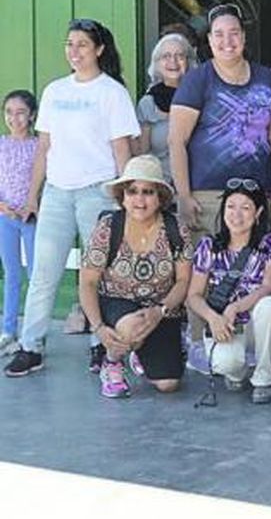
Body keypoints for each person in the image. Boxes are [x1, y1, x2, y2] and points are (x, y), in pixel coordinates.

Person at [4, 19, 139, 378]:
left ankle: (100, 344)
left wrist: (126, 198)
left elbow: (121, 149)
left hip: (98, 192)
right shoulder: (54, 91)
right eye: (69, 44)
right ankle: (31, 346)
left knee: (99, 274)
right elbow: (44, 148)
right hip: (57, 193)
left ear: (98, 49)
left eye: (82, 44)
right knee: (43, 272)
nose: (74, 51)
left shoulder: (111, 93)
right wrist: (33, 196)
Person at [77, 155, 194, 398]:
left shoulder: (176, 229)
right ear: (123, 196)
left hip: (161, 307)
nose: (139, 200)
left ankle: (139, 350)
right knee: (133, 327)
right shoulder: (108, 227)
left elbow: (184, 280)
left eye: (148, 192)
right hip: (116, 302)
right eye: (132, 191)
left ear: (160, 197)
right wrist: (99, 328)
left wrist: (160, 310)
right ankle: (112, 362)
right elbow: (88, 282)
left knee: (168, 384)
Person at [168, 4, 271, 237]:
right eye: (219, 34)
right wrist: (183, 195)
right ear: (210, 40)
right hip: (208, 197)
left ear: (243, 37)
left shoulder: (267, 79)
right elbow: (176, 141)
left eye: (234, 33)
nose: (227, 41)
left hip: (258, 195)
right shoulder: (196, 81)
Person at [186, 178, 271, 404]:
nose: (237, 215)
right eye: (231, 207)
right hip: (225, 325)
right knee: (225, 362)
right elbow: (193, 296)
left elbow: (269, 287)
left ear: (258, 212)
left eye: (246, 208)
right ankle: (238, 371)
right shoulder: (209, 246)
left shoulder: (270, 244)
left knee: (269, 306)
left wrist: (236, 307)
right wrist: (212, 318)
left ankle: (264, 377)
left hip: (257, 324)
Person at [0, 90, 39, 356]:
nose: (14, 118)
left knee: (36, 275)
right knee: (12, 273)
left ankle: (34, 333)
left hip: (32, 218)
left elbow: (45, 180)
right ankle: (8, 329)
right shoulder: (2, 144)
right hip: (5, 217)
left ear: (32, 115)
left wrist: (30, 206)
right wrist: (3, 206)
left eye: (21, 112)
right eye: (9, 112)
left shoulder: (39, 147)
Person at [134, 33, 197, 181]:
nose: (173, 61)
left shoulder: (200, 98)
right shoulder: (148, 103)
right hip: (162, 183)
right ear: (156, 64)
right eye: (166, 56)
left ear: (188, 62)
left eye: (179, 56)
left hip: (198, 181)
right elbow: (143, 153)